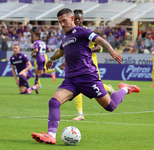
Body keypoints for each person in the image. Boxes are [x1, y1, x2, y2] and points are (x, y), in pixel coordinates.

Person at [31, 8, 140, 145]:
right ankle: (51, 135)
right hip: (71, 79)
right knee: (53, 102)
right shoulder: (65, 37)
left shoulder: (83, 31)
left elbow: (101, 41)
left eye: (64, 21)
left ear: (72, 19)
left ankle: (125, 89)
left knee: (110, 106)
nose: (62, 24)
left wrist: (112, 52)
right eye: (60, 22)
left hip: (88, 77)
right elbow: (60, 51)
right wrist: (51, 59)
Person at [70, 9, 115, 121]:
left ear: (82, 20)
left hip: (90, 63)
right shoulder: (70, 33)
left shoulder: (86, 31)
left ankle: (108, 88)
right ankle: (80, 113)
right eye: (75, 19)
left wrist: (88, 49)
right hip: (77, 64)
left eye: (79, 19)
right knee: (76, 86)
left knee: (96, 87)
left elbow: (99, 47)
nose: (77, 21)